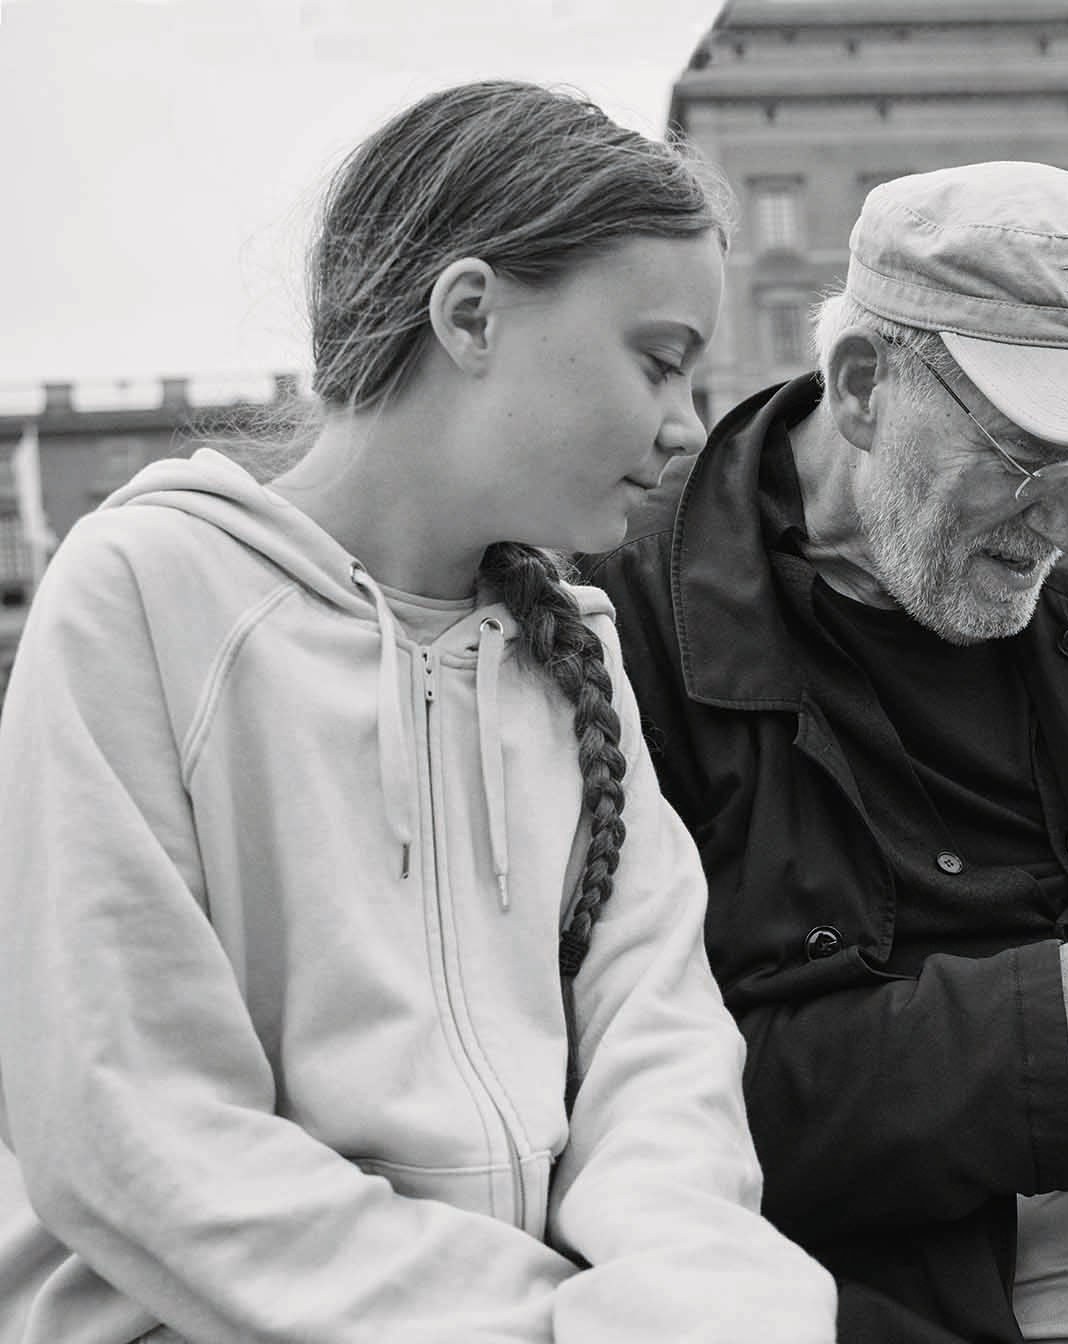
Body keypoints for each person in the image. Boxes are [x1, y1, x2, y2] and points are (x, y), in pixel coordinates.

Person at [0, 81, 838, 1343]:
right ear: (470, 314)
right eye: (659, 360)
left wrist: (698, 1309)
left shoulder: (577, 659)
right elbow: (135, 1133)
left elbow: (661, 1066)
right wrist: (559, 1329)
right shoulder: (146, 597)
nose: (685, 425)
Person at [588, 161, 1068, 1342]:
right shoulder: (622, 606)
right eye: (1028, 458)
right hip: (832, 1265)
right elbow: (613, 1087)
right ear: (862, 387)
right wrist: (1019, 1060)